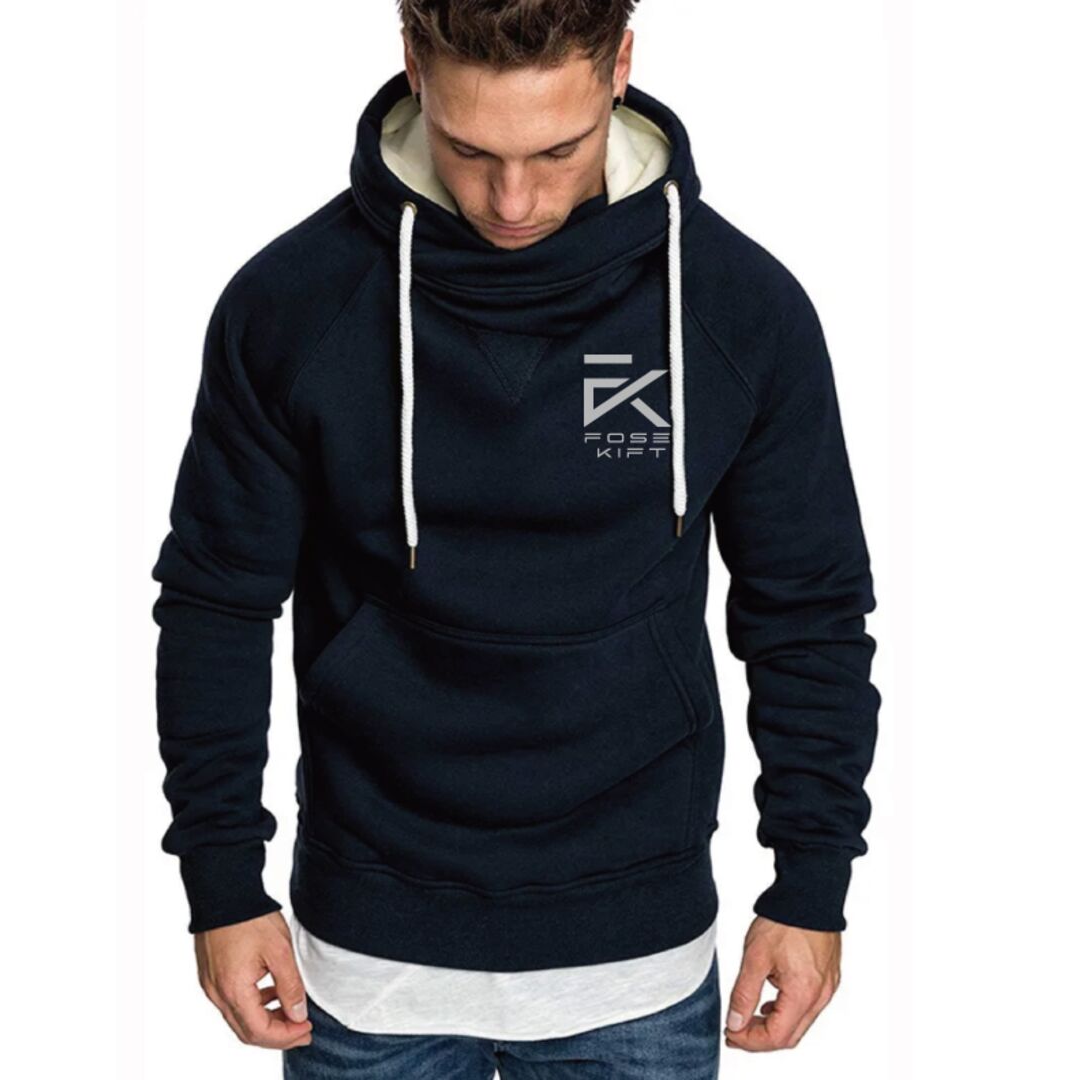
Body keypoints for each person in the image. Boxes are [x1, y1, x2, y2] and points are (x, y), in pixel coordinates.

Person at [149, 2, 881, 1076]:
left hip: (637, 959)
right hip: (365, 958)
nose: (513, 201)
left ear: (619, 65)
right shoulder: (293, 307)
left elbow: (807, 611)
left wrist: (812, 882)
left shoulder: (738, 310)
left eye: (556, 151)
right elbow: (216, 602)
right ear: (412, 65)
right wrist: (221, 883)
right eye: (471, 150)